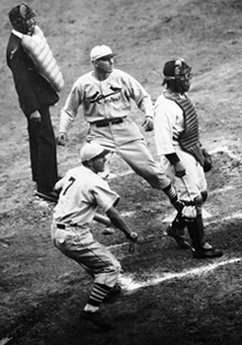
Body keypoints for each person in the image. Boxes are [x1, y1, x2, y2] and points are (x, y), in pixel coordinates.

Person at [57, 45, 184, 213]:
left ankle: (179, 204)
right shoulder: (83, 84)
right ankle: (87, 216)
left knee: (153, 172)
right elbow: (69, 109)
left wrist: (149, 115)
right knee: (95, 175)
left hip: (125, 130)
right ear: (95, 63)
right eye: (106, 59)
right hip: (99, 134)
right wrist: (62, 130)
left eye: (112, 58)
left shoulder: (121, 77)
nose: (111, 62)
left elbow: (143, 97)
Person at [51, 141, 138, 330]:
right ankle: (91, 310)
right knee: (111, 267)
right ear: (90, 162)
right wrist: (128, 232)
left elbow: (57, 190)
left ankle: (107, 289)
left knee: (94, 260)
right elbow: (112, 211)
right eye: (100, 157)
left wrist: (84, 213)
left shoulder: (74, 171)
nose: (104, 159)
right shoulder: (95, 181)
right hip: (73, 236)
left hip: (57, 231)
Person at [153, 58, 223, 259]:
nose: (187, 79)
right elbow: (162, 140)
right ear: (171, 80)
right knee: (192, 201)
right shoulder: (164, 106)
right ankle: (199, 247)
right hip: (176, 154)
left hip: (189, 150)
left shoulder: (181, 97)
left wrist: (201, 150)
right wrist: (177, 163)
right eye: (182, 76)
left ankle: (176, 228)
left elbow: (189, 130)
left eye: (187, 75)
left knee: (202, 194)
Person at [6, 3, 64, 202]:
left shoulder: (22, 41)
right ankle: (47, 187)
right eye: (27, 19)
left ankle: (44, 180)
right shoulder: (16, 48)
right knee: (46, 140)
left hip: (37, 100)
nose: (31, 22)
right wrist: (32, 110)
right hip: (35, 102)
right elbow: (21, 83)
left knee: (39, 140)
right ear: (17, 23)